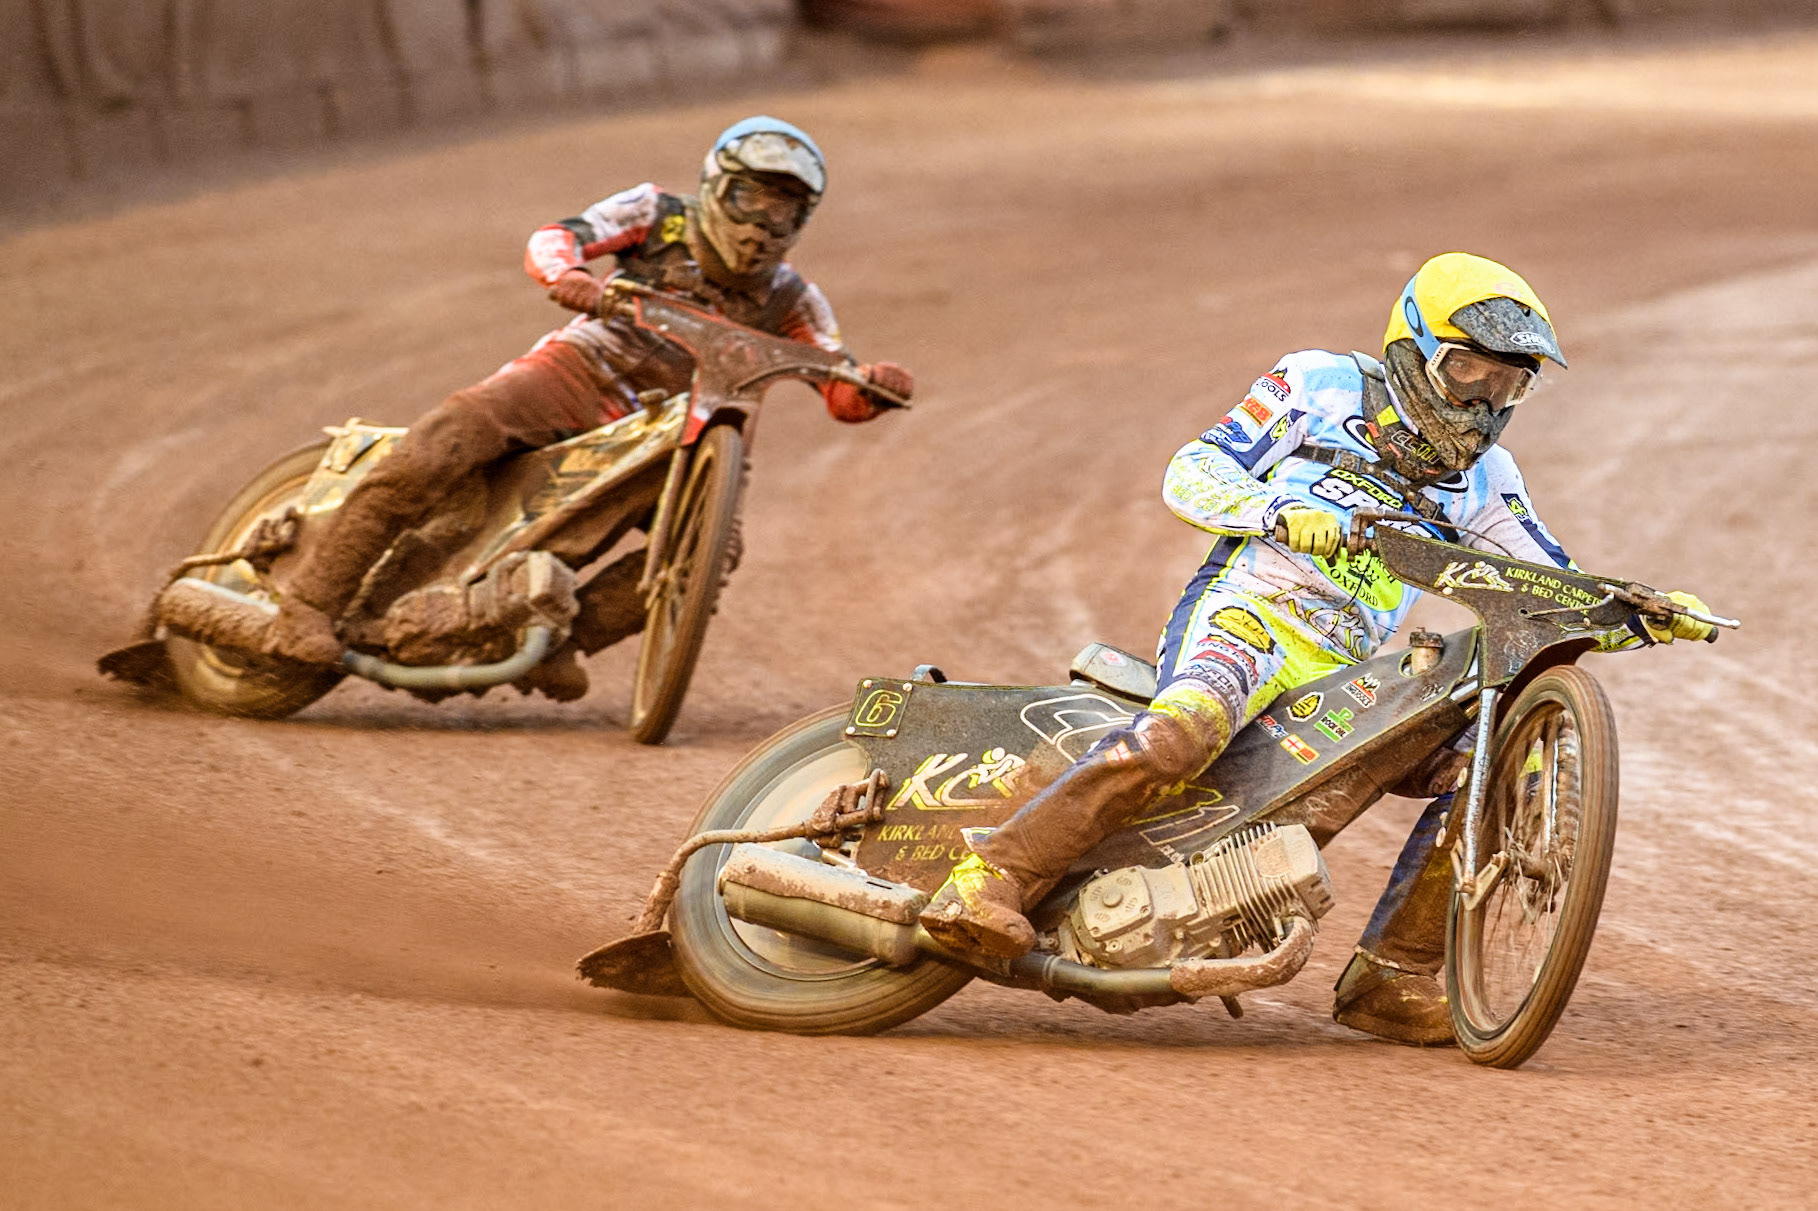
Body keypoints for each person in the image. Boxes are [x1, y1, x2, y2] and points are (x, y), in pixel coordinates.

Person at [918, 252, 1710, 1045]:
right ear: (1413, 348)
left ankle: (1392, 978)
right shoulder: (1317, 385)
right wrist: (1271, 510)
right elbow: (1191, 471)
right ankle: (990, 877)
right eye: (1467, 369)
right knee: (1182, 732)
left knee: (1495, 771)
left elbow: (1546, 583)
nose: (1481, 401)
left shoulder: (1487, 479)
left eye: (1507, 385)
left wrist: (1643, 613)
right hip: (1248, 620)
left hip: (1346, 675)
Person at [262, 116, 913, 699]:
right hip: (581, 370)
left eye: (782, 213)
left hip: (684, 433)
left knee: (713, 551)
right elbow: (554, 238)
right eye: (749, 199)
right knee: (449, 438)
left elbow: (839, 385)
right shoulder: (658, 214)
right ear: (717, 186)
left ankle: (563, 645)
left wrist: (874, 387)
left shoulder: (794, 297)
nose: (759, 225)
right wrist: (569, 277)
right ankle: (309, 602)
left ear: (801, 223)